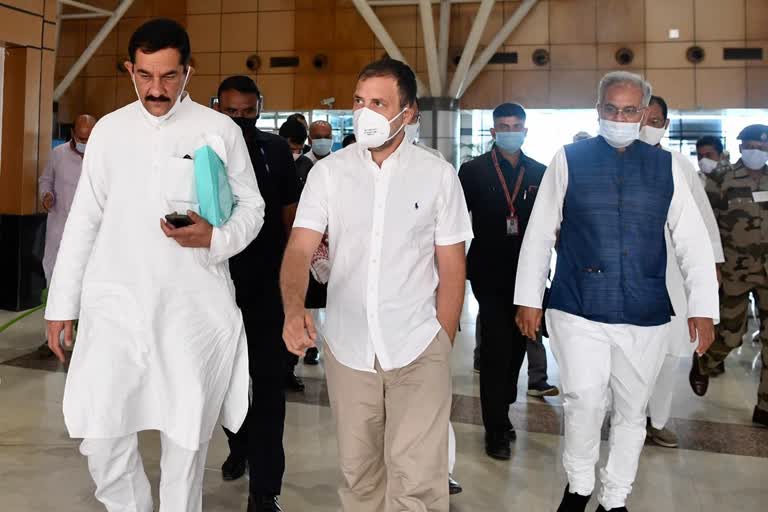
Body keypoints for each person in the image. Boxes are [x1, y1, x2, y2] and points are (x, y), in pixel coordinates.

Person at [44, 18, 265, 512]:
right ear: (130, 69)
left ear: (189, 71)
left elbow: (253, 208)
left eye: (169, 76)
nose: (156, 89)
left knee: (185, 438)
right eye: (145, 76)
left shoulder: (218, 130)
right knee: (101, 430)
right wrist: (61, 305)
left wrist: (216, 236)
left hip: (192, 310)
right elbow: (84, 220)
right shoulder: (109, 130)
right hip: (115, 307)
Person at [515, 71, 718, 512]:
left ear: (644, 113)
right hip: (578, 306)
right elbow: (539, 233)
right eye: (611, 109)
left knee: (632, 409)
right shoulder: (569, 158)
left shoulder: (668, 168)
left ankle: (616, 497)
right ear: (598, 109)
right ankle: (579, 487)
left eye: (629, 110)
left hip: (644, 310)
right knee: (584, 400)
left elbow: (693, 243)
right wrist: (530, 298)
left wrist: (702, 309)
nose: (620, 117)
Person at [280, 58, 472, 512]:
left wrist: (441, 341)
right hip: (349, 349)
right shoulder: (330, 174)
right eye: (359, 101)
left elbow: (452, 268)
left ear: (407, 113)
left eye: (378, 103)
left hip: (418, 345)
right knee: (361, 477)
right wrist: (293, 308)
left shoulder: (437, 175)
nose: (365, 113)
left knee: (418, 482)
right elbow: (298, 250)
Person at [215, 75, 302, 512]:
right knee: (222, 384)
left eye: (249, 113)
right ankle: (239, 443)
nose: (241, 120)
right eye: (232, 113)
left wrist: (296, 289)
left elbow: (290, 220)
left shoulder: (275, 153)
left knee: (268, 386)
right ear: (218, 107)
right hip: (215, 287)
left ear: (260, 109)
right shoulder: (203, 150)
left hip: (267, 287)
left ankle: (265, 489)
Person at [458, 102, 558, 461]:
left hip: (529, 278)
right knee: (497, 349)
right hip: (489, 274)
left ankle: (502, 408)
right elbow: (453, 224)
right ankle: (495, 427)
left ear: (526, 131)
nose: (511, 131)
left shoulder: (540, 172)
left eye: (517, 125)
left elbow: (553, 226)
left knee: (518, 348)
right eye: (504, 125)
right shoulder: (473, 171)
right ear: (493, 131)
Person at [639, 95, 724, 448]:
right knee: (629, 353)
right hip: (630, 272)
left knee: (671, 351)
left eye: (655, 120)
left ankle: (656, 421)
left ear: (666, 125)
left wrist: (713, 265)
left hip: (674, 273)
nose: (647, 127)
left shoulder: (679, 166)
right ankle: (627, 418)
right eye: (641, 118)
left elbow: (703, 219)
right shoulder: (610, 162)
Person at [689, 124, 768, 428]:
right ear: (740, 147)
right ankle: (705, 361)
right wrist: (711, 266)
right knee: (731, 336)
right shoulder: (721, 181)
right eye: (751, 146)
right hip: (734, 271)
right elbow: (705, 228)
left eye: (762, 148)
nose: (757, 152)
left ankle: (764, 406)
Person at [404, 98, 462, 496]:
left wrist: (445, 330)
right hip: (370, 318)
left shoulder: (435, 167)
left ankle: (442, 471)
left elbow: (451, 259)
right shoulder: (349, 167)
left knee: (431, 406)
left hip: (423, 310)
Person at [37, 114, 96, 356]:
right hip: (60, 227)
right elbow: (45, 180)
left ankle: (86, 337)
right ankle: (54, 337)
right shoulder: (58, 154)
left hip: (93, 231)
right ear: (73, 133)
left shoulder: (102, 155)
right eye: (81, 137)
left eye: (89, 138)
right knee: (54, 276)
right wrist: (46, 195)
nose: (85, 142)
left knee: (89, 281)